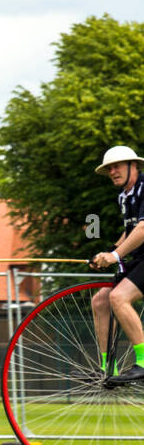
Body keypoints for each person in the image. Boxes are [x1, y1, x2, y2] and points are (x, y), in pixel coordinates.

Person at [88, 145, 144, 382]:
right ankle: (107, 368)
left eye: (117, 166)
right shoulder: (124, 196)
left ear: (133, 165)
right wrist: (109, 252)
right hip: (141, 257)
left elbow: (143, 229)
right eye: (109, 168)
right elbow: (130, 231)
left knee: (118, 297)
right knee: (100, 300)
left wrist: (116, 256)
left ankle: (143, 361)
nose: (112, 171)